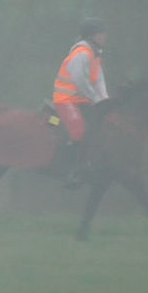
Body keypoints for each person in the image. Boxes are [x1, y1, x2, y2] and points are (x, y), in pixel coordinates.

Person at [52, 17, 111, 187]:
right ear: (91, 36)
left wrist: (105, 100)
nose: (104, 36)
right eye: (101, 33)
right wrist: (96, 99)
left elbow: (99, 81)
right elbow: (80, 81)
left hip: (81, 100)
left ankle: (86, 164)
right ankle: (67, 171)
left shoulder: (95, 55)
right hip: (66, 100)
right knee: (78, 131)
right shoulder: (82, 54)